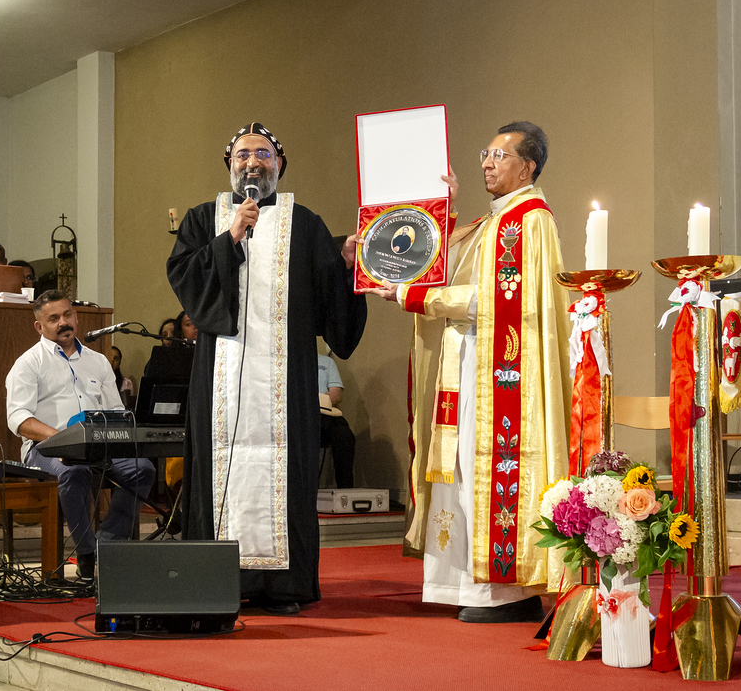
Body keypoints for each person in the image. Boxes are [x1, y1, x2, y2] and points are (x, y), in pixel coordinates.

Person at [366, 121, 572, 622]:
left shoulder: (528, 221)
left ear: (528, 167)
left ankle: (503, 591)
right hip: (468, 361)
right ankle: (465, 583)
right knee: (457, 470)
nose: (487, 163)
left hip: (501, 371)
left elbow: (498, 301)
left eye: (500, 155)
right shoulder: (493, 221)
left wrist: (414, 296)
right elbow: (448, 266)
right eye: (486, 153)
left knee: (484, 466)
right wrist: (441, 211)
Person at [167, 121, 367, 615]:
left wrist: (345, 266)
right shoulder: (203, 218)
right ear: (229, 164)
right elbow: (186, 279)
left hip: (286, 382)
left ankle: (284, 587)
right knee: (217, 471)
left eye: (263, 154)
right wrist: (231, 236)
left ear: (279, 164)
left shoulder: (306, 224)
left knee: (288, 470)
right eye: (243, 154)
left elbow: (329, 300)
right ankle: (217, 580)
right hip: (219, 378)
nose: (252, 162)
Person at [5, 290, 155, 581]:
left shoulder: (98, 361)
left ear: (76, 316)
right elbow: (19, 419)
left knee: (143, 468)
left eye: (67, 314)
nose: (63, 322)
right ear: (39, 327)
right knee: (74, 472)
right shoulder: (29, 363)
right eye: (54, 318)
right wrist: (63, 440)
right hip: (46, 448)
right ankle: (86, 551)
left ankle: (107, 544)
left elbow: (115, 410)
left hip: (98, 444)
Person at [317, 352, 357, 489]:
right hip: (301, 417)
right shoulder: (289, 361)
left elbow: (336, 395)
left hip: (325, 413)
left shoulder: (327, 362)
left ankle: (345, 489)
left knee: (344, 435)